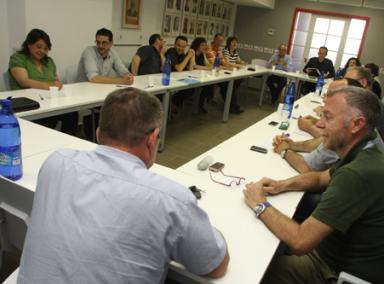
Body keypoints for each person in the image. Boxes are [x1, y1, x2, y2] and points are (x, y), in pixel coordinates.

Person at [18, 87, 230, 283]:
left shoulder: (56, 162)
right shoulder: (172, 199)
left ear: (98, 133)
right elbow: (215, 265)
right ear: (153, 139)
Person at [244, 86, 384, 284]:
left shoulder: (358, 174)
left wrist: (260, 204)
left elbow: (299, 241)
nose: (319, 124)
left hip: (335, 272)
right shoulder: (366, 149)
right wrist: (280, 185)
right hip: (336, 255)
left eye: (328, 117)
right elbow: (320, 178)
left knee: (251, 271)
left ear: (357, 124)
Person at [8, 28, 78, 135]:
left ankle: (65, 145)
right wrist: (51, 85)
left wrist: (56, 84)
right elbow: (24, 81)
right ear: (29, 44)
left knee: (72, 114)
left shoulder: (49, 62)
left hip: (48, 103)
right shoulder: (18, 58)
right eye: (39, 47)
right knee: (45, 120)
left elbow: (56, 82)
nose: (42, 51)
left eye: (46, 48)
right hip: (28, 106)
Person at [77, 28, 134, 140]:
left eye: (104, 43)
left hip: (100, 90)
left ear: (111, 44)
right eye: (98, 42)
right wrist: (122, 81)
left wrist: (128, 76)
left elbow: (122, 70)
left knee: (122, 102)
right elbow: (93, 78)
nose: (100, 46)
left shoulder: (113, 53)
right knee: (114, 104)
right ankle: (97, 135)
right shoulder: (89, 51)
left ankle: (111, 137)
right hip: (83, 92)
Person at [205, 33, 243, 114]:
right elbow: (215, 63)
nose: (219, 42)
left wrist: (229, 66)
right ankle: (231, 106)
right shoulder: (209, 47)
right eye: (218, 40)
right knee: (229, 85)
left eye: (221, 41)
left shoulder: (219, 49)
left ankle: (232, 106)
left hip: (216, 73)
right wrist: (228, 67)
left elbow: (224, 62)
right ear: (214, 39)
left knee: (231, 85)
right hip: (207, 74)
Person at [221, 36, 246, 111]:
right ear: (229, 43)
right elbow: (227, 63)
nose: (235, 44)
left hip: (233, 72)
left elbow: (239, 61)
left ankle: (232, 104)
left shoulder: (235, 52)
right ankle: (232, 105)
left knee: (234, 86)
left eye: (236, 42)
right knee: (232, 88)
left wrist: (242, 62)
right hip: (225, 72)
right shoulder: (225, 51)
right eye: (233, 42)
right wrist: (238, 65)